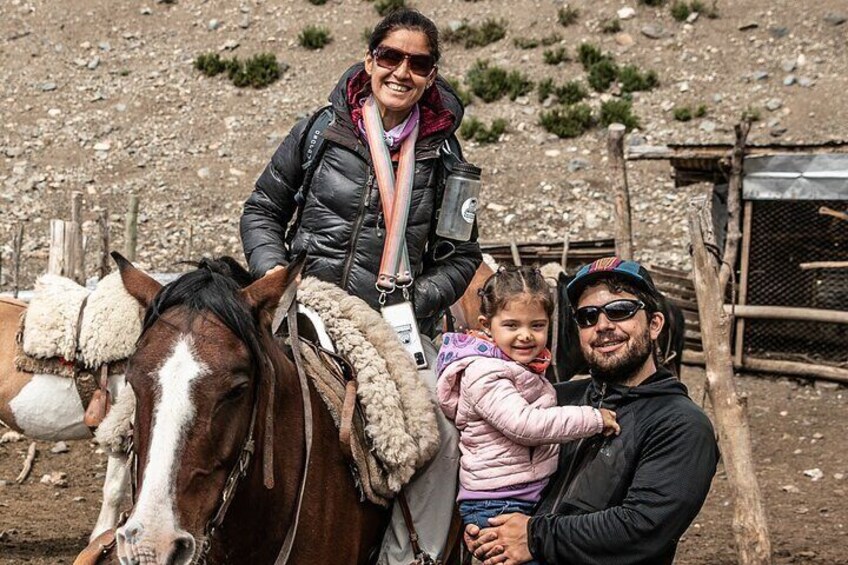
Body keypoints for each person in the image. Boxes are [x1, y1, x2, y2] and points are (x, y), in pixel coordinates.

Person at [239, 8, 482, 564]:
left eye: (418, 63)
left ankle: (407, 557)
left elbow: (460, 256)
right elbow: (262, 211)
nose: (402, 72)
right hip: (306, 301)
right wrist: (277, 279)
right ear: (370, 60)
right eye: (391, 57)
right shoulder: (321, 129)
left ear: (432, 75)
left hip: (389, 321)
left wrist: (414, 300)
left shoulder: (448, 159)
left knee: (441, 437)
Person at [465, 257, 719, 565]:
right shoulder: (555, 399)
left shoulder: (681, 425)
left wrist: (533, 536)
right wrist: (490, 529)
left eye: (620, 311)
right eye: (587, 317)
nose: (603, 326)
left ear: (654, 325)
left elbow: (641, 528)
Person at [435, 266, 620, 564]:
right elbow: (526, 425)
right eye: (511, 325)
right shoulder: (485, 374)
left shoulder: (518, 367)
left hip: (521, 494)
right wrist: (593, 419)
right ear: (487, 325)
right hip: (498, 503)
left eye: (536, 326)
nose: (525, 336)